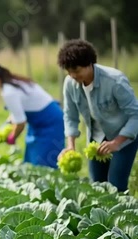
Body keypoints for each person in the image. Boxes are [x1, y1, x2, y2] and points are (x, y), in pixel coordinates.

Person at [57, 39, 138, 192]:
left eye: (76, 70)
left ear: (89, 64)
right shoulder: (70, 83)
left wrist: (116, 142)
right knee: (97, 186)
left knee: (116, 185)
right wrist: (70, 146)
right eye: (69, 71)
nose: (73, 75)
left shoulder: (115, 81)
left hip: (124, 136)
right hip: (97, 137)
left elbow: (135, 115)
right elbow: (70, 115)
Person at [0, 60, 65, 169]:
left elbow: (21, 122)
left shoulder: (9, 92)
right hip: (39, 122)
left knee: (44, 165)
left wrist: (12, 137)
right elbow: (18, 112)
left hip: (50, 123)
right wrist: (8, 123)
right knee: (32, 162)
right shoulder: (14, 81)